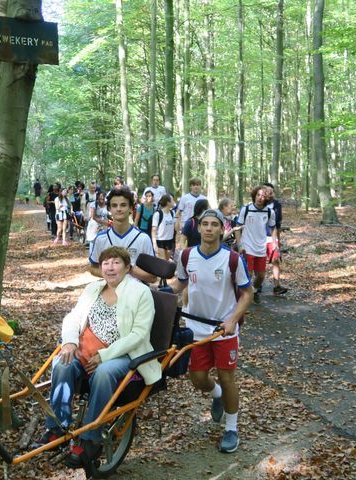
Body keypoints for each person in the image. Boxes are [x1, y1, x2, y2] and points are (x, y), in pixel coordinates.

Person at [35, 246, 161, 467]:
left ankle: (91, 438)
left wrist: (105, 355)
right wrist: (70, 342)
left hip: (123, 353)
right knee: (61, 363)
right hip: (86, 349)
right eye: (106, 263)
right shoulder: (93, 288)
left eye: (116, 262)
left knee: (103, 373)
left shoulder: (141, 293)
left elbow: (139, 335)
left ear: (127, 267)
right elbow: (73, 318)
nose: (110, 267)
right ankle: (57, 427)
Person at [169, 209, 253, 453]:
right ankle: (216, 395)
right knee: (197, 378)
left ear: (221, 229)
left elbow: (247, 293)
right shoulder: (186, 256)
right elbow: (181, 283)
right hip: (194, 329)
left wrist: (232, 320)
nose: (208, 228)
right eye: (204, 224)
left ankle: (231, 429)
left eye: (214, 224)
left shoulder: (232, 259)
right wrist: (158, 293)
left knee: (227, 379)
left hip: (223, 330)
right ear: (198, 228)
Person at [89, 187, 156, 283]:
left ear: (131, 208)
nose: (119, 209)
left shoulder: (143, 238)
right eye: (114, 205)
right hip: (110, 293)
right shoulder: (101, 238)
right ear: (109, 209)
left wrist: (129, 269)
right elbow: (93, 268)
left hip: (136, 293)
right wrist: (110, 273)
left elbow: (153, 277)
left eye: (123, 205)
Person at [234, 186, 277, 304]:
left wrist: (274, 243)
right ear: (254, 195)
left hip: (261, 247)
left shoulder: (269, 212)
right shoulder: (246, 209)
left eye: (263, 196)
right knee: (248, 273)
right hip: (247, 246)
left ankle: (253, 291)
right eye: (258, 195)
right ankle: (243, 299)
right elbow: (237, 228)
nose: (260, 198)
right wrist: (240, 244)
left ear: (267, 198)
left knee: (261, 276)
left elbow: (273, 228)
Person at [262, 183, 288, 295]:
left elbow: (278, 224)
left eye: (272, 192)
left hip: (272, 237)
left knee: (275, 261)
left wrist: (278, 241)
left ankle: (276, 286)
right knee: (260, 262)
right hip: (258, 238)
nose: (270, 194)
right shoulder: (257, 204)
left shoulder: (277, 205)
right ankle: (257, 286)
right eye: (268, 191)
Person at [151, 194, 176, 262]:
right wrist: (154, 245)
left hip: (170, 241)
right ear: (168, 202)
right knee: (163, 262)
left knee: (167, 261)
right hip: (160, 241)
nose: (174, 201)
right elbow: (153, 231)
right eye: (172, 200)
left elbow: (176, 227)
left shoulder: (172, 213)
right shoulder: (158, 214)